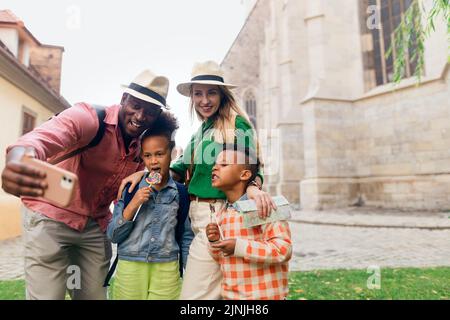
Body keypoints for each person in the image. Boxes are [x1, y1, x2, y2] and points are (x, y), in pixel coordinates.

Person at [1, 69, 170, 300]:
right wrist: (19, 159)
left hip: (94, 225)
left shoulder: (145, 145)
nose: (141, 116)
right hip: (50, 218)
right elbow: (39, 140)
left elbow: (165, 169)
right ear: (123, 100)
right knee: (48, 297)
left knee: (93, 296)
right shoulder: (88, 118)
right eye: (136, 106)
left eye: (150, 112)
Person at [118, 61, 277, 300]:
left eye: (211, 92)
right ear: (192, 97)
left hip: (218, 214)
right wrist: (144, 173)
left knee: (194, 297)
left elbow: (253, 167)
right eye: (198, 93)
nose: (205, 100)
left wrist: (254, 188)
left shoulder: (236, 124)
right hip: (197, 215)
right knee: (223, 292)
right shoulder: (200, 132)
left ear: (222, 95)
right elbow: (177, 170)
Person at [107, 113, 194, 300]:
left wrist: (191, 274)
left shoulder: (181, 193)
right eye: (147, 155)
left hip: (166, 268)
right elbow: (113, 235)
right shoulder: (130, 189)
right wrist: (134, 203)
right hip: (131, 264)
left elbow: (186, 237)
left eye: (159, 154)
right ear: (142, 158)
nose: (153, 161)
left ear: (172, 153)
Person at [206, 146, 292, 300]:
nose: (214, 167)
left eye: (224, 165)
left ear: (244, 174)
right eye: (215, 164)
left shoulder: (266, 206)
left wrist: (238, 246)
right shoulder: (221, 214)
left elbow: (283, 250)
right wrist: (214, 240)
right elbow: (221, 257)